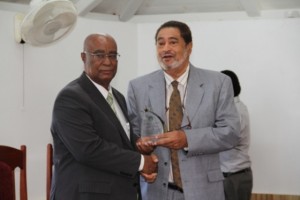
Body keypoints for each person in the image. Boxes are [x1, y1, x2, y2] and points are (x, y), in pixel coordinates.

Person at [127, 21, 241, 200]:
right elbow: (132, 136)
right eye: (160, 43)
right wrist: (140, 146)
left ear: (189, 46)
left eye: (173, 42)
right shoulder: (138, 87)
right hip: (155, 191)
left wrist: (187, 139)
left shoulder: (218, 83)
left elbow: (231, 133)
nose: (166, 49)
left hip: (204, 192)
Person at [50, 33, 158, 200]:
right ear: (83, 57)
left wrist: (137, 143)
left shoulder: (118, 97)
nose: (107, 62)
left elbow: (115, 137)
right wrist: (141, 162)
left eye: (113, 55)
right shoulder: (71, 97)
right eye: (99, 55)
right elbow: (88, 149)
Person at [220, 70, 253, 200]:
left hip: (231, 177)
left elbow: (223, 140)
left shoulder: (232, 112)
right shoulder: (239, 106)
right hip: (238, 174)